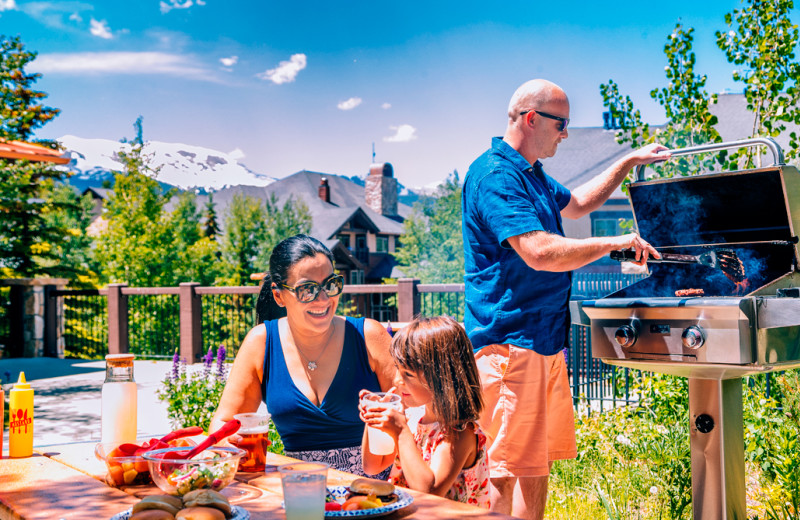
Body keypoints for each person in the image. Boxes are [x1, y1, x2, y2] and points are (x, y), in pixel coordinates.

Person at [461, 79, 669, 519]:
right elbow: (538, 252)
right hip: (509, 345)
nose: (567, 134)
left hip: (541, 341)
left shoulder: (530, 173)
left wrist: (628, 162)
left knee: (533, 464)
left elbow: (576, 204)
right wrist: (613, 243)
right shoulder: (498, 176)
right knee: (502, 469)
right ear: (531, 118)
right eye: (562, 123)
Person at [211, 234, 396, 477]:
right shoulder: (261, 343)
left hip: (374, 496)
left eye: (330, 285)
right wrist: (228, 442)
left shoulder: (368, 336)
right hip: (299, 490)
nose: (323, 298)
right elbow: (224, 423)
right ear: (278, 295)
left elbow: (412, 411)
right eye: (307, 290)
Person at [359, 316, 490, 508]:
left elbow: (429, 491)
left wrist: (401, 431)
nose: (397, 380)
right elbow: (373, 465)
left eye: (408, 374)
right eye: (397, 369)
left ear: (442, 377)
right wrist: (374, 419)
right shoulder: (413, 419)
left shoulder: (460, 433)